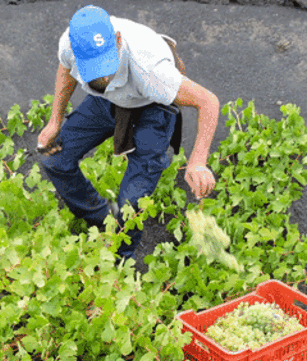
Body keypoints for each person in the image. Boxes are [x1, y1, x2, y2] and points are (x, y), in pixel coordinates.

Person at [37, 5, 220, 260]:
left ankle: (122, 257)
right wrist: (55, 120)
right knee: (54, 158)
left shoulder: (151, 69)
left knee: (131, 202)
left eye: (105, 64)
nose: (101, 74)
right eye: (93, 67)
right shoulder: (70, 44)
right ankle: (101, 218)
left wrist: (198, 161)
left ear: (119, 41)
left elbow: (208, 101)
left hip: (150, 107)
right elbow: (65, 70)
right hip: (107, 101)